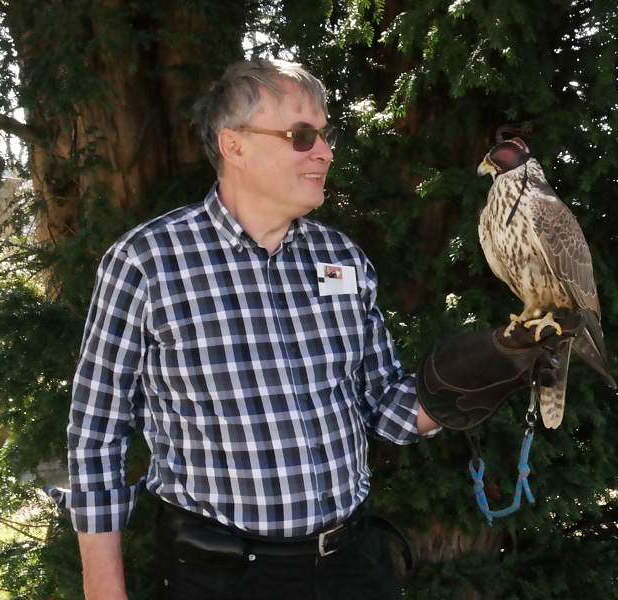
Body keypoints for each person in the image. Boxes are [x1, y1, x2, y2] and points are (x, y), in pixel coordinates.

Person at [46, 58, 579, 600]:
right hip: (220, 576)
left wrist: (485, 368)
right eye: (301, 136)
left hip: (352, 565)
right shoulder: (148, 261)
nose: (324, 151)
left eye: (323, 135)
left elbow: (384, 406)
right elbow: (97, 433)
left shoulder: (342, 258)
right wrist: (105, 591)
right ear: (234, 146)